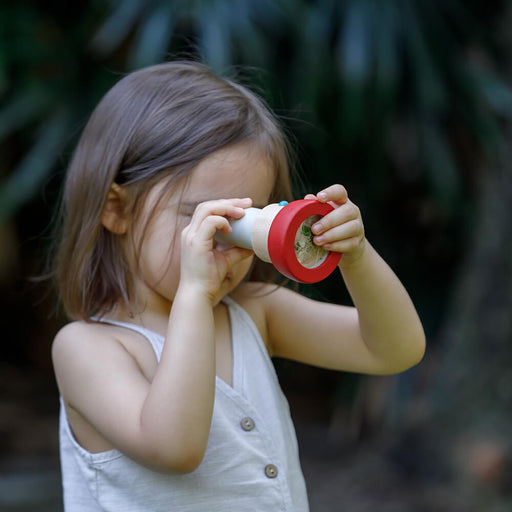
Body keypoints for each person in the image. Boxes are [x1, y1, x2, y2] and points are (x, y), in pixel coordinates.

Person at [50, 61, 425, 512]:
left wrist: (358, 258)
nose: (222, 243)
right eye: (200, 217)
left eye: (244, 223)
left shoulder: (255, 312)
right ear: (118, 210)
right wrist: (194, 297)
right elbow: (175, 447)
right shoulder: (87, 348)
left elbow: (393, 349)